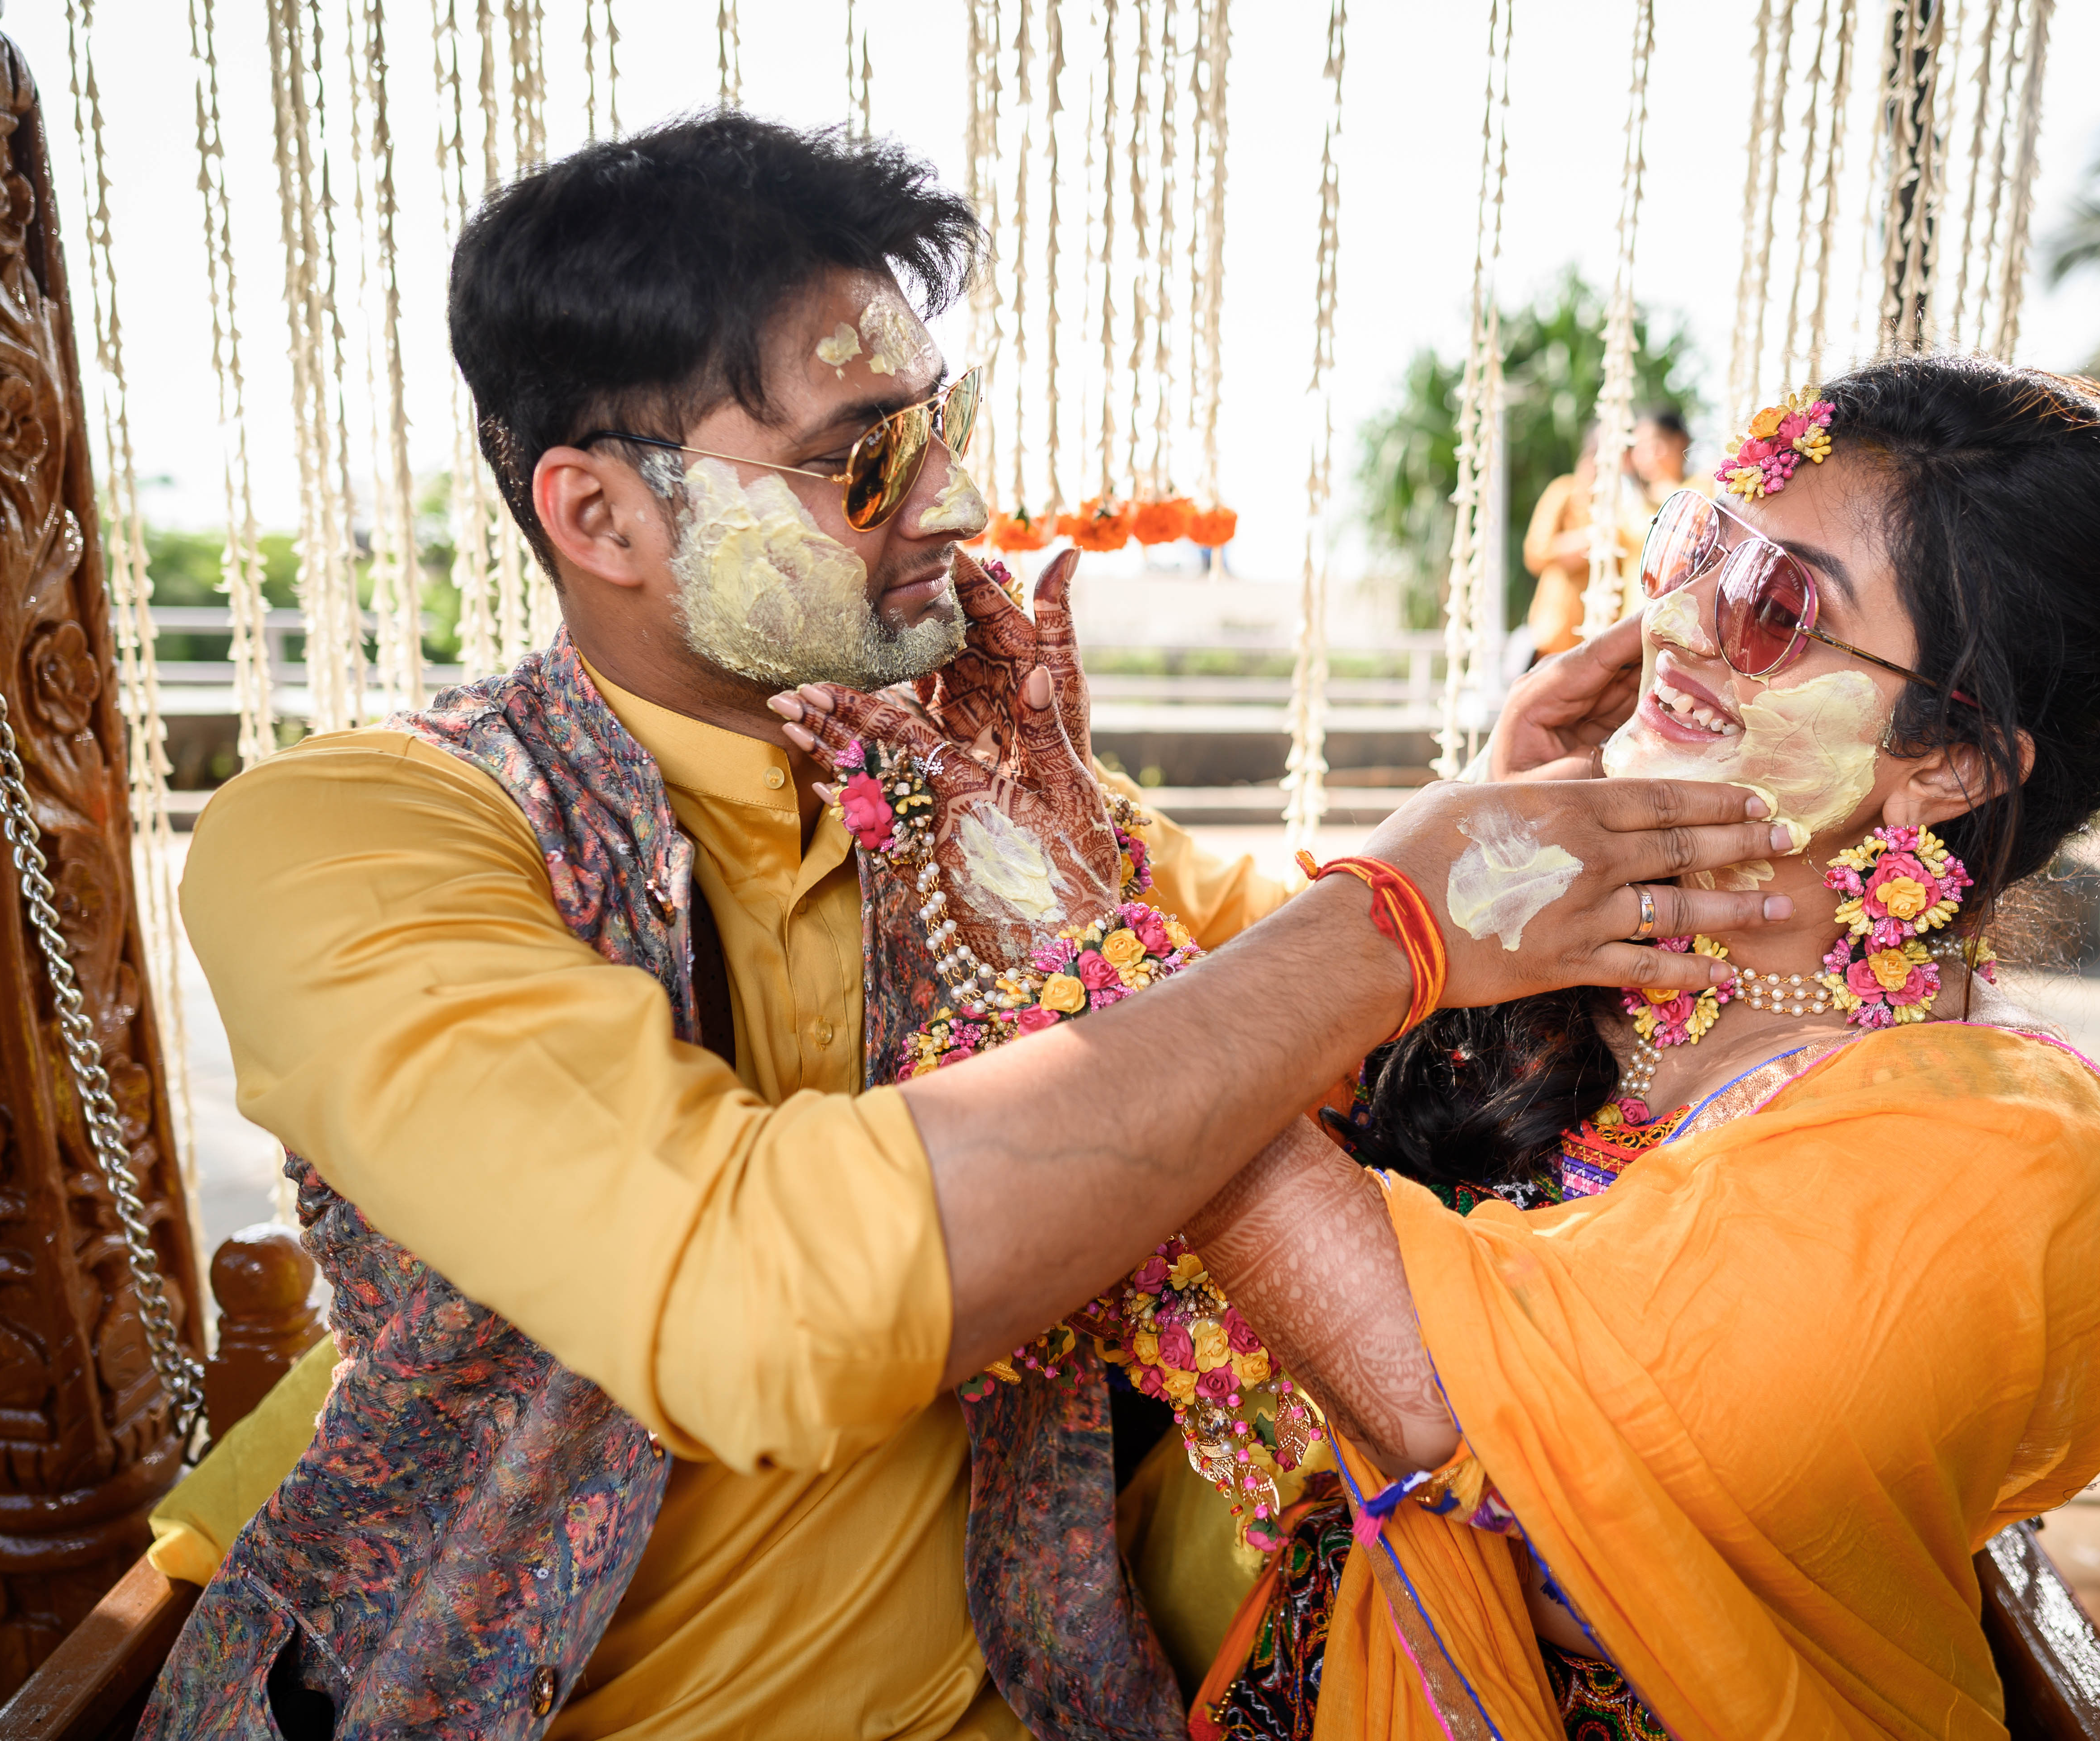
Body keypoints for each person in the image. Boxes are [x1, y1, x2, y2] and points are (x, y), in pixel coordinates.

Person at [138, 111, 1794, 1741]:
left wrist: (1489, 818)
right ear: (603, 520)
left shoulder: (956, 779)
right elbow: (762, 1304)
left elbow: (1243, 979)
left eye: (947, 423)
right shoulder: (361, 837)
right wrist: (1398, 921)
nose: (955, 499)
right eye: (863, 455)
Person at [1166, 358, 2100, 1739]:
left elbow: (1501, 1463)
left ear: (1948, 760)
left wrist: (1158, 1033)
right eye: (1701, 546)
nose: (1686, 627)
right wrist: (1485, 838)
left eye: (1780, 607)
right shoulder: (1579, 934)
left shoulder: (1996, 1160)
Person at [1522, 408, 1695, 660]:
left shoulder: (1630, 502)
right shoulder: (1565, 491)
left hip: (1610, 635)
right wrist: (1595, 539)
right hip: (1556, 632)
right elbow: (1536, 553)